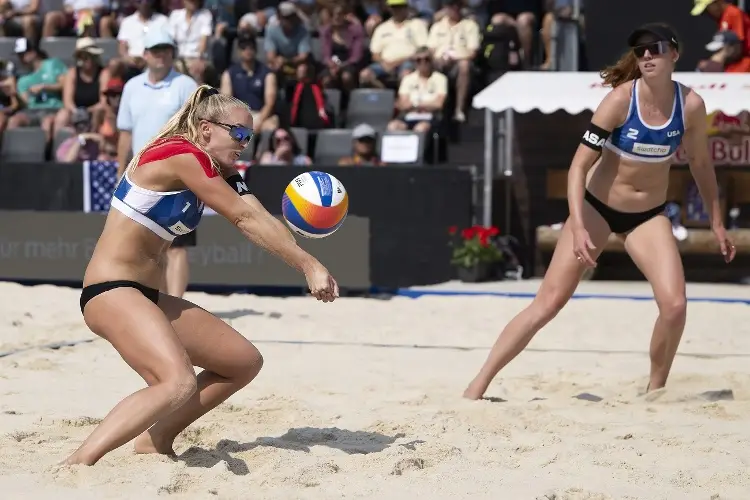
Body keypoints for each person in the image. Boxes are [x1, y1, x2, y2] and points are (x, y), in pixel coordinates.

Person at [63, 84, 339, 466]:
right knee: (175, 382)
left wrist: (308, 258)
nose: (245, 144)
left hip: (145, 296)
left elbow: (258, 217)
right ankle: (78, 464)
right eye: (239, 133)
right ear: (207, 129)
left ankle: (154, 438)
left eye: (250, 136)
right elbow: (242, 218)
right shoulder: (180, 154)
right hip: (110, 291)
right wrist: (308, 265)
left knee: (242, 362)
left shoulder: (218, 168)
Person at [463, 23, 736, 400]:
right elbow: (577, 168)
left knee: (674, 306)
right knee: (548, 304)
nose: (646, 57)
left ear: (674, 53)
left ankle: (654, 393)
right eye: (640, 52)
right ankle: (478, 385)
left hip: (648, 215)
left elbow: (702, 167)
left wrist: (717, 224)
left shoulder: (690, 105)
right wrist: (577, 227)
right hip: (597, 208)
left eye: (654, 49)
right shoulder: (621, 101)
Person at [116, 29, 198, 298]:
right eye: (156, 50)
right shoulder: (132, 87)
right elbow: (125, 132)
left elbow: (197, 132)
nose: (161, 54)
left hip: (178, 175)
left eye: (166, 49)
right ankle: (163, 303)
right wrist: (121, 172)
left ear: (172, 53)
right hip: (141, 175)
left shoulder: (186, 86)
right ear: (145, 55)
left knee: (176, 245)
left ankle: (175, 304)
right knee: (149, 246)